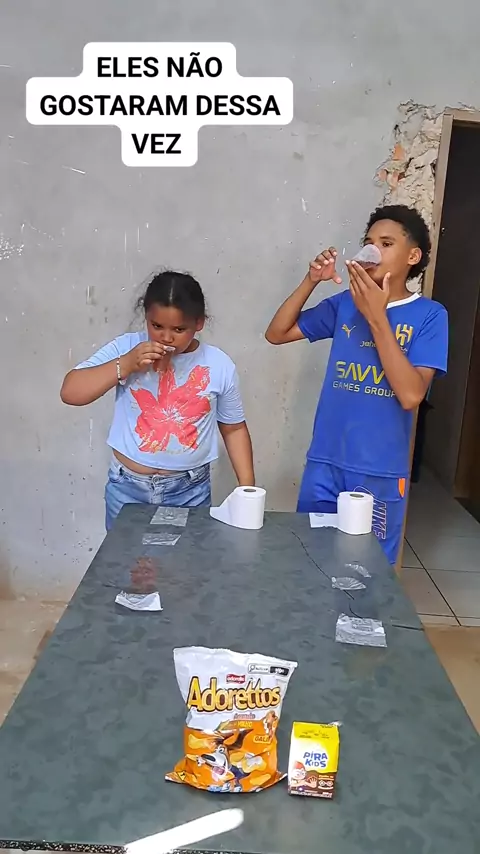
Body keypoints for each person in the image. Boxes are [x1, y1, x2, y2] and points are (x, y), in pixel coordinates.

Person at [265, 204, 448, 565]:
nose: (373, 250)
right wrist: (311, 281)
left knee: (369, 571)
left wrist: (377, 317)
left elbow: (411, 395)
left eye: (386, 243)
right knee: (311, 562)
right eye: (369, 241)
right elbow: (277, 333)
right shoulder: (346, 305)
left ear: (413, 256)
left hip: (380, 471)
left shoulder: (430, 315)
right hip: (325, 461)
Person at [61, 270, 255, 530]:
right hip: (127, 488)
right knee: (123, 557)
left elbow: (234, 428)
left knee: (187, 557)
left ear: (199, 323)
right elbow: (71, 392)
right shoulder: (127, 348)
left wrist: (247, 490)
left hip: (189, 490)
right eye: (157, 326)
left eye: (179, 329)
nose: (166, 337)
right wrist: (125, 364)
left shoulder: (218, 364)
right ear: (146, 318)